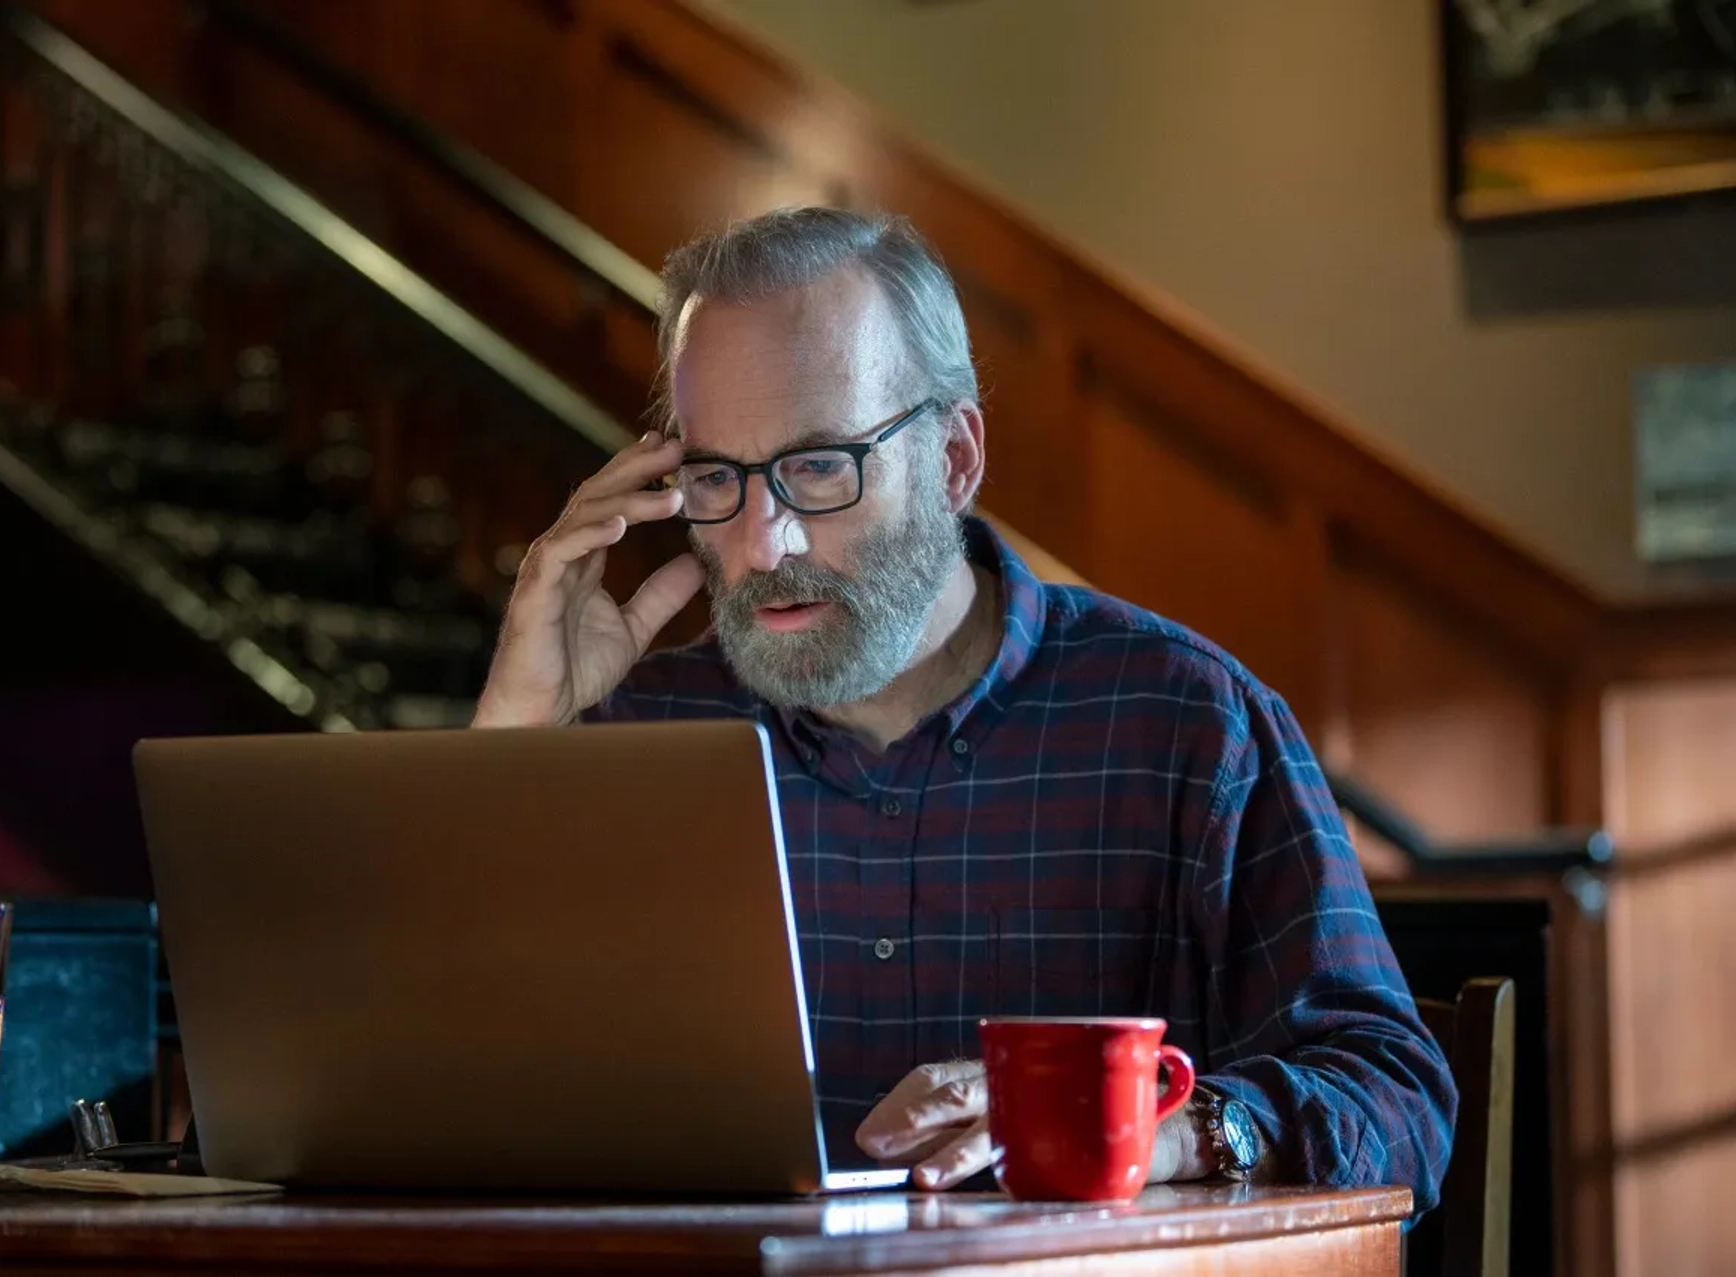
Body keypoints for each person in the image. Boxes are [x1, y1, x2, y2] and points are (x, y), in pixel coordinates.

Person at [472, 207, 1455, 1209]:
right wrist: (515, 735)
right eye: (719, 476)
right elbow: (440, 1095)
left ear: (953, 459)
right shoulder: (631, 733)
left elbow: (1397, 1097)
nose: (766, 544)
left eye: (820, 466)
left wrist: (1157, 1128)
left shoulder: (1184, 721)